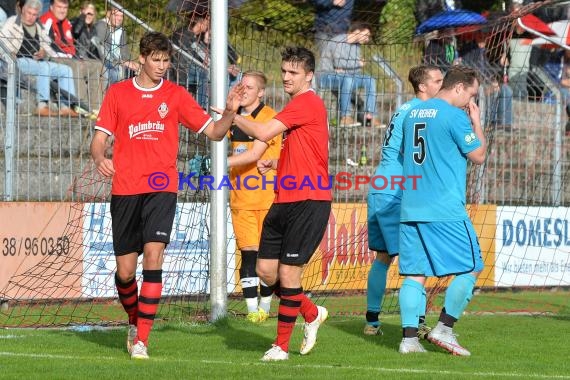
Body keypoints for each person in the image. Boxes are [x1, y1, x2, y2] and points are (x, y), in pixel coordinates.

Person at [90, 31, 241, 360]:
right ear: (141, 59)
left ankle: (142, 339)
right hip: (126, 189)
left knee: (155, 256)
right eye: (156, 60)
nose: (161, 66)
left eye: (166, 61)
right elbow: (99, 139)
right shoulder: (118, 94)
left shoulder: (174, 96)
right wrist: (101, 157)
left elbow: (215, 132)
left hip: (161, 186)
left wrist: (229, 112)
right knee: (126, 272)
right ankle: (134, 320)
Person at [228, 46, 332, 361]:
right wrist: (276, 162)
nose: (286, 77)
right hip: (284, 198)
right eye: (284, 71)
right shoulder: (295, 107)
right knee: (265, 271)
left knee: (288, 277)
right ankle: (311, 313)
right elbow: (301, 148)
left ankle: (280, 347)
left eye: (293, 72)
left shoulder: (307, 102)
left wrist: (232, 113)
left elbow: (260, 130)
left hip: (309, 200)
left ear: (309, 76)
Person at [397, 65, 486, 355]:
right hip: (444, 208)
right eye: (470, 95)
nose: (470, 102)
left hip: (411, 206)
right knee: (473, 267)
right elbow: (479, 156)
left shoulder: (413, 114)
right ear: (459, 88)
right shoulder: (455, 116)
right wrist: (477, 122)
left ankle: (409, 341)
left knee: (415, 274)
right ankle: (444, 329)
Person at [365, 64, 443, 337]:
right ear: (422, 86)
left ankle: (372, 321)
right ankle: (417, 324)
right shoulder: (419, 114)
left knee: (383, 257)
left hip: (381, 185)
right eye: (437, 81)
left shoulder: (404, 109)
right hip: (399, 190)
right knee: (416, 258)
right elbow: (417, 157)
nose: (440, 85)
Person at [227, 70, 281, 323]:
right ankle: (252, 312)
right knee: (248, 254)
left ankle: (266, 306)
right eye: (241, 85)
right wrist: (229, 112)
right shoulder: (233, 120)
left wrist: (217, 164)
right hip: (241, 200)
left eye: (250, 87)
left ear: (261, 92)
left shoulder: (270, 118)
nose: (244, 90)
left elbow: (253, 154)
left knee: (268, 259)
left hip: (267, 199)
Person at [0, 0, 78, 116]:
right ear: (23, 11)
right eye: (29, 13)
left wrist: (43, 52)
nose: (31, 17)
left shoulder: (38, 25)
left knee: (65, 70)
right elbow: (1, 42)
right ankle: (42, 105)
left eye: (34, 14)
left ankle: (66, 106)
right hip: (17, 60)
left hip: (36, 61)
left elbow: (47, 46)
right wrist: (9, 53)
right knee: (43, 68)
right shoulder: (12, 23)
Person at [317, 21, 380, 127]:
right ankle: (345, 117)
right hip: (325, 76)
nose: (367, 39)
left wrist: (347, 68)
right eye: (366, 35)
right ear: (356, 32)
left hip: (345, 76)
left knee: (370, 80)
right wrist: (358, 63)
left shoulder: (357, 46)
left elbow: (354, 71)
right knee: (347, 78)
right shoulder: (338, 41)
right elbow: (339, 63)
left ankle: (371, 116)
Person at [93, 6, 138, 86]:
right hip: (105, 62)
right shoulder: (101, 26)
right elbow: (103, 51)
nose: (119, 18)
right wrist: (122, 62)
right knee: (115, 73)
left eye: (121, 16)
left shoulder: (121, 30)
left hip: (119, 62)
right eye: (116, 15)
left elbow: (124, 51)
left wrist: (130, 62)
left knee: (137, 70)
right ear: (108, 14)